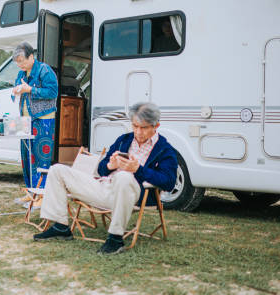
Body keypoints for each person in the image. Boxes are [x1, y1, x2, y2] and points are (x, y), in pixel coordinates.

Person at [33, 102, 178, 254]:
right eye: (135, 126)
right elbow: (101, 169)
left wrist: (138, 170)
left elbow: (168, 182)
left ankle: (115, 238)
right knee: (57, 170)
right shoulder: (124, 140)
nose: (138, 132)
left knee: (123, 177)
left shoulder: (165, 150)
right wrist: (110, 165)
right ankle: (60, 227)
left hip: (132, 194)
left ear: (156, 126)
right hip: (104, 188)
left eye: (144, 127)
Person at [11, 42, 58, 207]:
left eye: (22, 60)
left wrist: (30, 90)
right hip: (23, 120)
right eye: (17, 62)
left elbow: (53, 92)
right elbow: (16, 90)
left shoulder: (45, 70)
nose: (20, 64)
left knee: (41, 157)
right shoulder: (21, 72)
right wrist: (15, 90)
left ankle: (42, 197)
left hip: (43, 118)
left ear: (31, 56)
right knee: (26, 157)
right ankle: (31, 192)